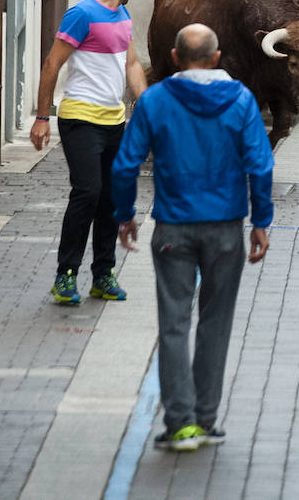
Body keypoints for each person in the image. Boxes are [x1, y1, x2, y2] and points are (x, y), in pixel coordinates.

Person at [110, 23, 273, 452]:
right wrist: (260, 221)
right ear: (217, 57)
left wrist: (124, 215)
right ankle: (205, 419)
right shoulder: (240, 100)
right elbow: (260, 164)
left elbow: (126, 164)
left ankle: (178, 422)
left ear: (175, 57)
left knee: (174, 323)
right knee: (216, 323)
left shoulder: (156, 100)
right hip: (225, 229)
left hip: (173, 228)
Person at [31, 0, 148, 304]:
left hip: (114, 120)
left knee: (110, 198)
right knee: (87, 192)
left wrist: (148, 104)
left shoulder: (123, 16)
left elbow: (131, 64)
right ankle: (65, 276)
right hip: (80, 118)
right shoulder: (81, 14)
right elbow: (52, 64)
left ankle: (103, 275)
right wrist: (41, 117)